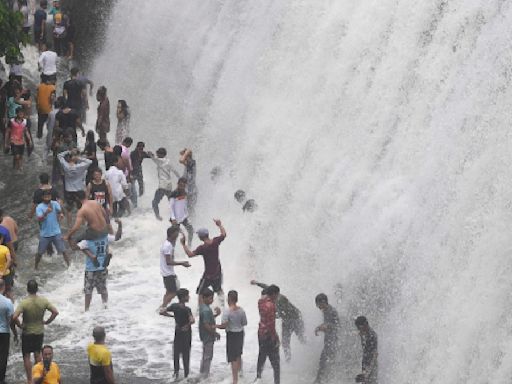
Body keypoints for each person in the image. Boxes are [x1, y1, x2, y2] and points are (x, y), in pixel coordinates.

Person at [12, 280, 59, 384]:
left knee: (26, 356)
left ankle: (30, 380)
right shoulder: (43, 301)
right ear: (37, 289)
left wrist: (20, 325)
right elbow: (55, 312)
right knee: (37, 354)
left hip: (27, 332)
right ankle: (38, 376)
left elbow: (14, 317)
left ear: (27, 289)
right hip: (39, 331)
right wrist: (47, 322)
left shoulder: (24, 302)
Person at [250, 280, 305, 361]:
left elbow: (279, 314)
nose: (266, 298)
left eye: (268, 296)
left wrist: (269, 315)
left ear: (274, 294)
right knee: (285, 342)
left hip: (296, 319)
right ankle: (288, 361)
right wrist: (257, 283)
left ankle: (311, 350)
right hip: (286, 321)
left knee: (301, 339)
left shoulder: (280, 299)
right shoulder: (272, 294)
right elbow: (266, 287)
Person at [181, 219, 226, 307]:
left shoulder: (202, 248)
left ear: (201, 237)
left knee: (200, 292)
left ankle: (200, 310)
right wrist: (219, 225)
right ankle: (223, 306)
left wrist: (183, 244)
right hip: (217, 272)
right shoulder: (215, 241)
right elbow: (223, 234)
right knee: (219, 290)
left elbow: (190, 254)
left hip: (208, 274)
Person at [160, 288, 194, 380]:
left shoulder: (174, 306)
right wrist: (187, 325)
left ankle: (176, 374)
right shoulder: (187, 309)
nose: (189, 297)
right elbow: (192, 320)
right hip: (186, 333)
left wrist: (172, 316)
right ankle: (186, 376)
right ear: (183, 298)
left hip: (177, 331)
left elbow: (162, 311)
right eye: (187, 295)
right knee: (186, 354)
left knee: (176, 352)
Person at [73, 231, 110, 311]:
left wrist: (69, 238)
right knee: (103, 289)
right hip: (102, 268)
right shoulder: (105, 238)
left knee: (88, 290)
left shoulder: (86, 242)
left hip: (91, 269)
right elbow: (116, 238)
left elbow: (74, 247)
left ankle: (87, 309)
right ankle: (105, 306)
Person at [217, 290, 247, 384]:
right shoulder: (241, 310)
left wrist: (215, 326)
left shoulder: (227, 311)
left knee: (233, 358)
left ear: (228, 299)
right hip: (240, 333)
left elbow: (224, 325)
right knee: (238, 354)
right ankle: (240, 373)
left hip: (232, 335)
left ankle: (235, 381)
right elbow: (244, 323)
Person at [35, 190, 70, 269]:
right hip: (45, 234)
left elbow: (61, 211)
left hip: (56, 232)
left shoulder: (54, 203)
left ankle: (69, 266)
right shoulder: (39, 207)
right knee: (40, 253)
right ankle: (35, 267)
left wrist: (61, 213)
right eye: (46, 197)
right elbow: (39, 219)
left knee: (63, 250)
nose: (48, 198)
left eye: (49, 196)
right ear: (42, 197)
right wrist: (46, 212)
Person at [159, 226, 191, 310]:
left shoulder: (168, 243)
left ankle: (162, 307)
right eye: (176, 234)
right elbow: (168, 262)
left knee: (168, 292)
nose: (177, 235)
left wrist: (182, 233)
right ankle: (163, 308)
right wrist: (182, 263)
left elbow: (177, 241)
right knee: (173, 293)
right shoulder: (167, 246)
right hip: (168, 273)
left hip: (166, 272)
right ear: (172, 234)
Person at [58, 149, 92, 226]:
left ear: (69, 159)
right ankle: (83, 225)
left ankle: (69, 226)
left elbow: (59, 156)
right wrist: (78, 158)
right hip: (79, 190)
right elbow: (90, 161)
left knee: (69, 209)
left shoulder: (65, 166)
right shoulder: (80, 167)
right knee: (81, 208)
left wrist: (68, 151)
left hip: (69, 190)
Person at [255, 285, 280, 384]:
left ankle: (258, 378)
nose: (277, 297)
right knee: (276, 362)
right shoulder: (271, 305)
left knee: (262, 356)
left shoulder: (261, 301)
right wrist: (276, 338)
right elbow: (271, 325)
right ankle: (277, 382)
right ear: (274, 294)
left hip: (261, 333)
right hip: (268, 336)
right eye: (277, 295)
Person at [313, 293, 340, 384]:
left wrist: (326, 327)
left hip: (333, 341)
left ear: (323, 302)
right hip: (329, 341)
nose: (318, 307)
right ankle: (324, 380)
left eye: (318, 304)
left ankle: (319, 380)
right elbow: (327, 324)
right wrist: (319, 327)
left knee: (324, 361)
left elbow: (337, 326)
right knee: (326, 361)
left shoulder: (332, 311)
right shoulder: (326, 310)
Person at [149, 148, 180, 220]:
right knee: (172, 202)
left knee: (154, 202)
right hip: (169, 186)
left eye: (158, 153)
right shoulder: (168, 161)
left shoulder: (160, 161)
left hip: (162, 186)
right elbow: (175, 171)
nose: (157, 154)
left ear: (162, 154)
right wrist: (180, 179)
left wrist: (150, 154)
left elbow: (153, 157)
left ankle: (158, 216)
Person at [198, 289, 221, 378]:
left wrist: (216, 315)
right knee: (208, 356)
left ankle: (202, 373)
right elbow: (206, 325)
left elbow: (207, 319)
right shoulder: (206, 310)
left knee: (205, 356)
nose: (212, 300)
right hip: (208, 336)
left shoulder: (202, 307)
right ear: (204, 298)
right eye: (210, 298)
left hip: (204, 336)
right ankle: (205, 376)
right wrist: (215, 333)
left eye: (212, 298)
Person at [5, 107, 32, 171]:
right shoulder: (11, 121)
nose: (21, 114)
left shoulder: (25, 122)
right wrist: (6, 143)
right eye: (20, 113)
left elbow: (26, 131)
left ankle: (15, 167)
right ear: (16, 113)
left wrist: (30, 140)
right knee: (17, 156)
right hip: (13, 141)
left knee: (20, 156)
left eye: (22, 113)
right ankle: (20, 168)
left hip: (21, 142)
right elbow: (7, 132)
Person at [0, 279, 16, 384]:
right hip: (4, 332)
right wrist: (15, 333)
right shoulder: (7, 302)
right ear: (4, 287)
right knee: (3, 356)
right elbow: (11, 320)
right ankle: (1, 378)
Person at [169, 177, 194, 246]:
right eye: (180, 185)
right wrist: (173, 218)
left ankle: (189, 246)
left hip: (183, 217)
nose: (181, 187)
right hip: (175, 219)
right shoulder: (174, 194)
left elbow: (184, 205)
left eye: (183, 186)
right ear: (177, 184)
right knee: (174, 236)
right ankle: (171, 252)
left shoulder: (185, 193)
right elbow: (171, 207)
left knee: (191, 231)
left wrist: (187, 214)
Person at [355, 316, 378, 384]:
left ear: (365, 325)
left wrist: (365, 373)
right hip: (366, 365)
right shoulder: (365, 333)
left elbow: (373, 356)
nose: (359, 330)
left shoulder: (371, 336)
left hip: (371, 365)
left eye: (359, 328)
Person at [179, 148, 197, 216]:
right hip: (188, 190)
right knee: (187, 208)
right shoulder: (188, 164)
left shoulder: (192, 162)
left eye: (184, 155)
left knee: (190, 209)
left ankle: (193, 223)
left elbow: (181, 160)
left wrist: (186, 153)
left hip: (192, 191)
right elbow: (181, 156)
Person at [0, 234, 13, 300]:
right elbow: (9, 260)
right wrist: (3, 272)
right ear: (1, 239)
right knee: (8, 291)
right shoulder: (5, 249)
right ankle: (12, 307)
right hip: (6, 274)